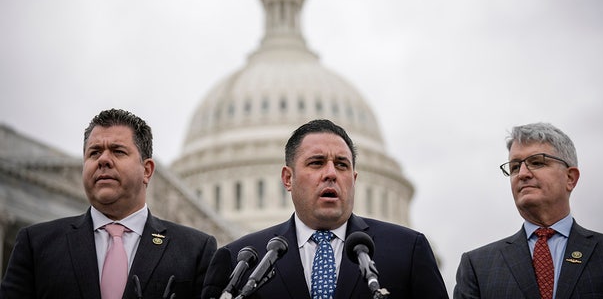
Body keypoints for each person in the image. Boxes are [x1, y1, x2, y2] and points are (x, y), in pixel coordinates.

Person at [201, 119, 448, 299]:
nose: (331, 173)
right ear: (288, 178)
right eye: (317, 163)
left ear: (354, 178)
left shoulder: (407, 251)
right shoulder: (241, 260)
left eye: (341, 165)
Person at [0, 108, 217, 299]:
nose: (103, 159)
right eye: (94, 153)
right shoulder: (36, 244)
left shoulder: (195, 250)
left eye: (118, 151)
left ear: (147, 170)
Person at [453, 122, 603, 298]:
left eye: (537, 162)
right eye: (515, 167)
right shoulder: (477, 266)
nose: (523, 174)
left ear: (570, 178)